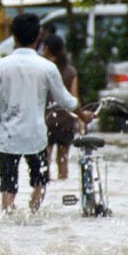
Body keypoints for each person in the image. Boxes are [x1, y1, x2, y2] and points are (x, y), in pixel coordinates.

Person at [0, 13, 77, 213]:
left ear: (14, 37)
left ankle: (9, 219)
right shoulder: (47, 67)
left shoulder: (0, 66)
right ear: (37, 38)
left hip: (9, 137)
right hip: (37, 137)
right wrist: (83, 114)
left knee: (8, 188)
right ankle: (33, 215)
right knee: (40, 183)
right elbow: (65, 100)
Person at [43, 34, 91, 180]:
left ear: (46, 49)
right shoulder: (70, 71)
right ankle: (63, 189)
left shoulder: (44, 69)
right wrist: (81, 118)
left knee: (45, 161)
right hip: (67, 120)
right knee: (63, 160)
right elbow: (74, 97)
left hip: (48, 119)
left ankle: (46, 191)